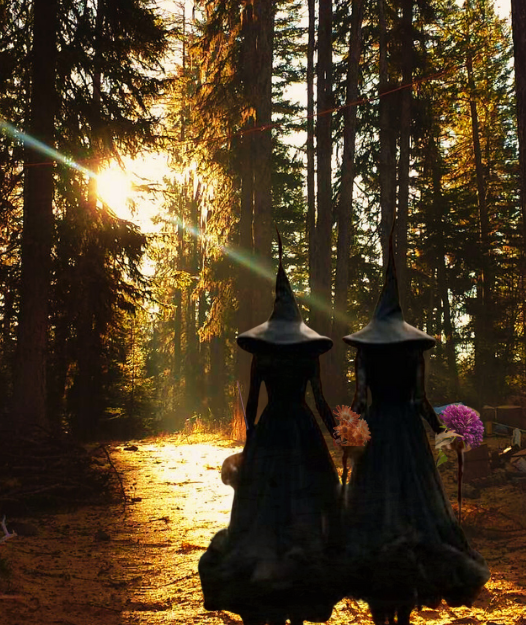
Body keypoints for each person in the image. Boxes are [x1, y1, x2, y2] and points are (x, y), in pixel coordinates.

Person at [342, 242, 490, 625]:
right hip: (408, 435)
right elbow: (422, 400)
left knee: (374, 509)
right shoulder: (413, 352)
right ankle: (404, 610)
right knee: (415, 507)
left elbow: (359, 400)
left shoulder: (367, 352)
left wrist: (349, 429)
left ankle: (382, 604)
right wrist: (443, 433)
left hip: (378, 435)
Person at [198, 246, 340, 625]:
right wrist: (338, 434)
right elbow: (321, 402)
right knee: (306, 508)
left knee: (266, 510)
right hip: (302, 430)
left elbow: (253, 409)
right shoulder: (307, 357)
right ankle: (296, 591)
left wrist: (252, 446)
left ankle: (278, 584)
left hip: (272, 429)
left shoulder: (261, 357)